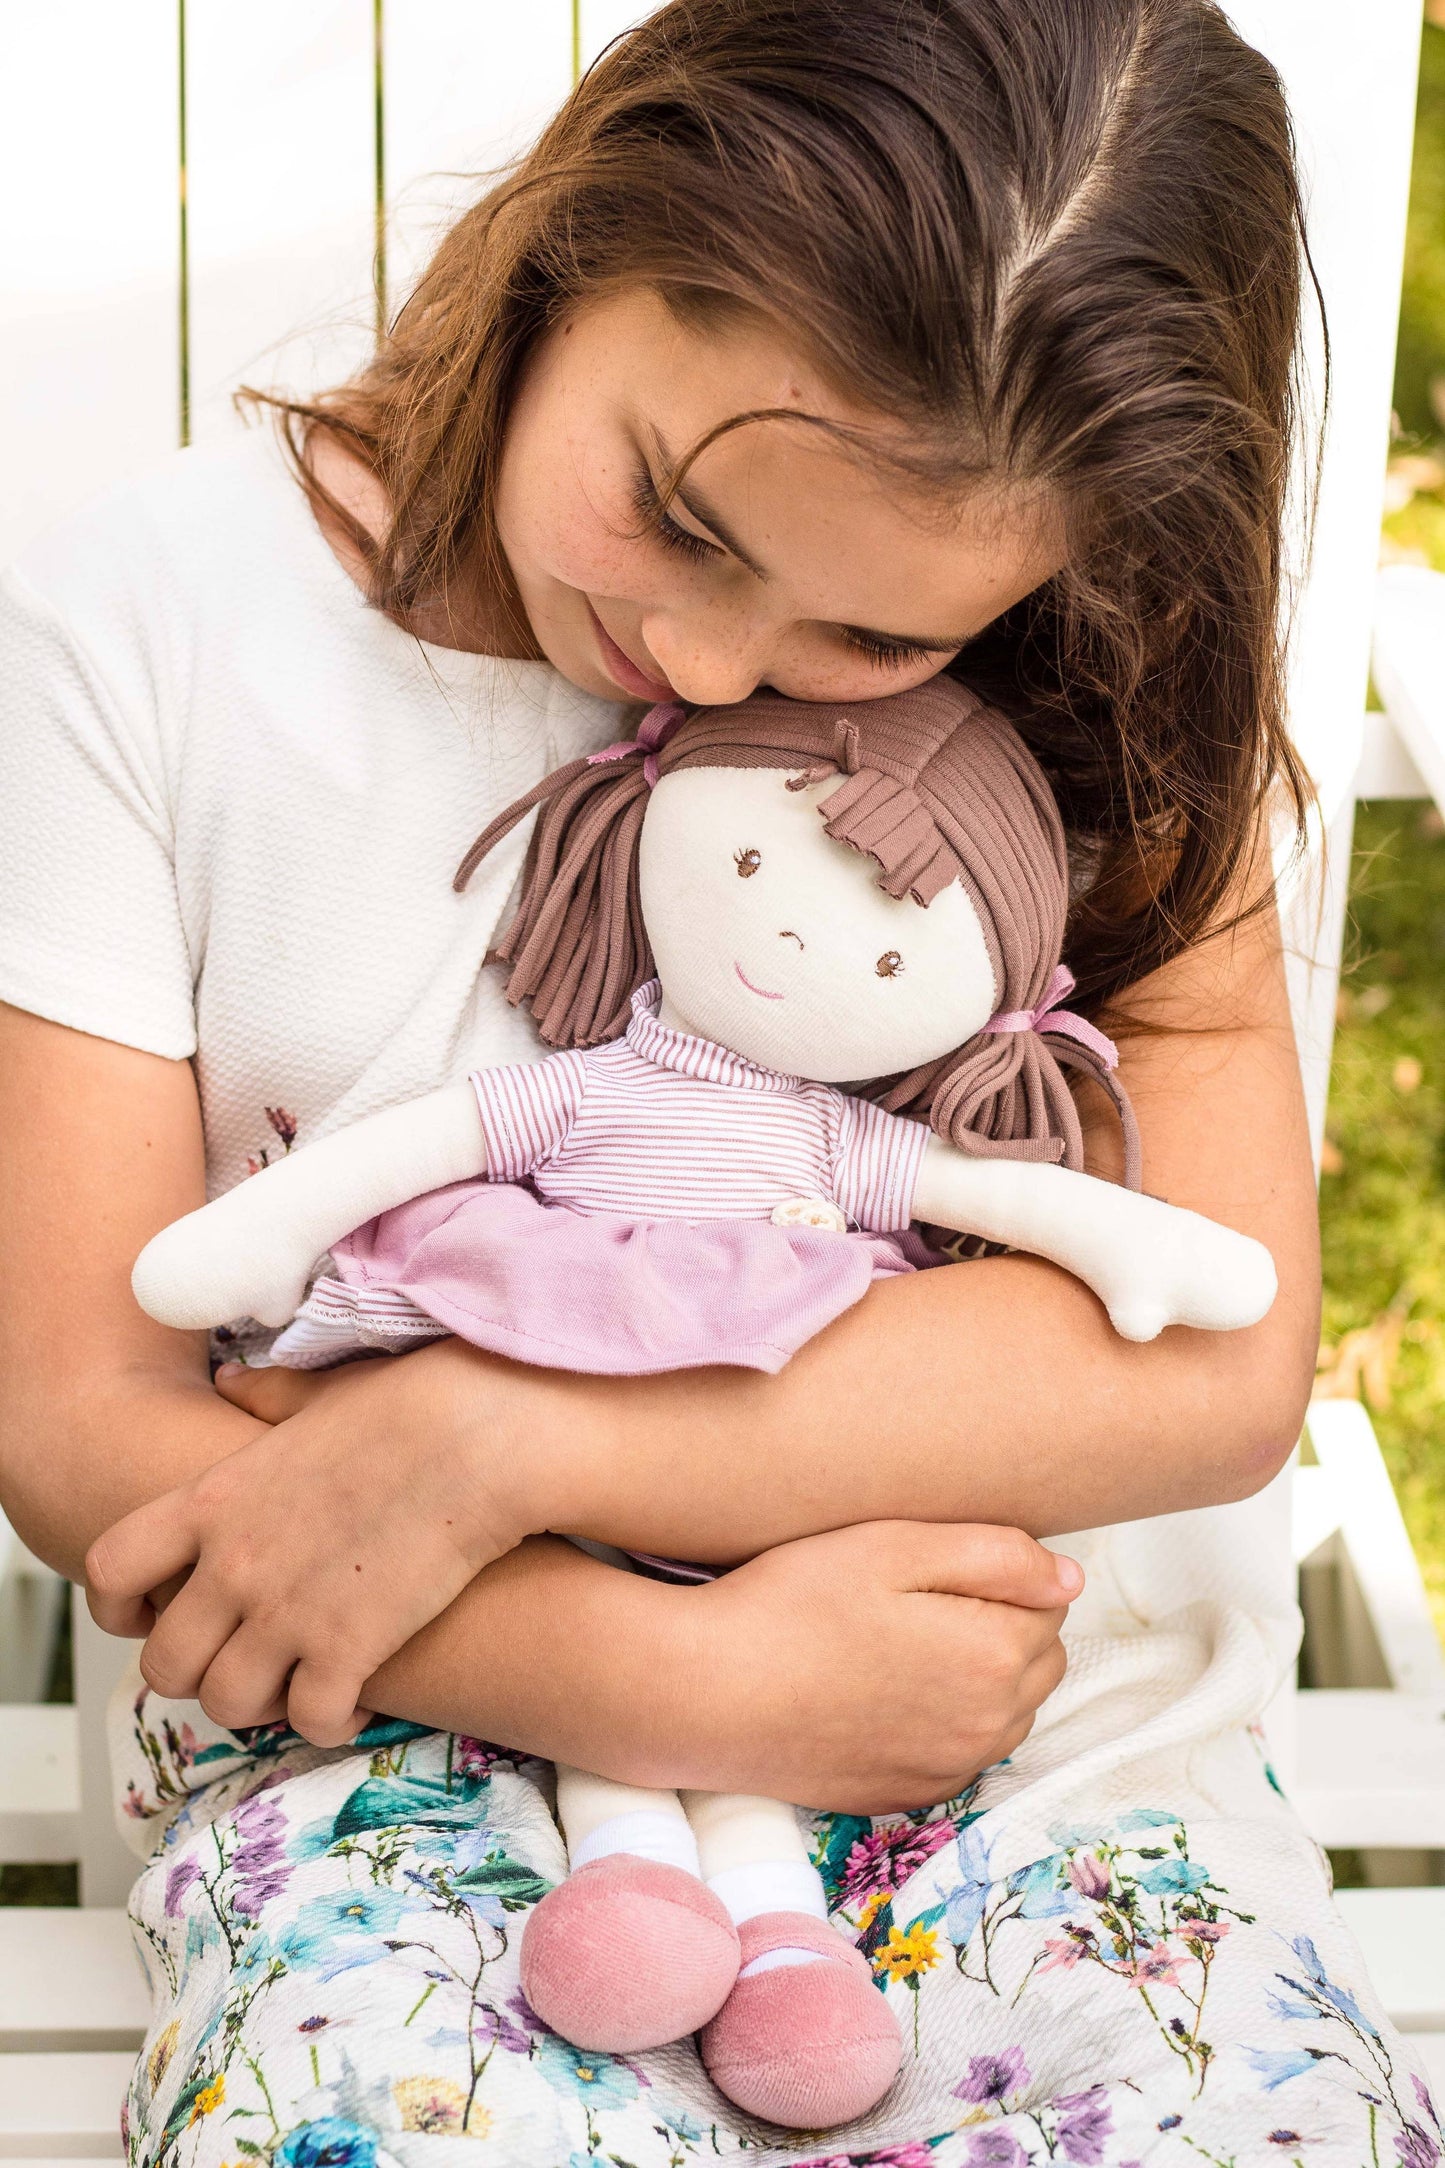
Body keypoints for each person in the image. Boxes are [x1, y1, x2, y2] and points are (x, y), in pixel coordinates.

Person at [0, 2, 1428, 2161]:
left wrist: (494, 1431)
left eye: (872, 642)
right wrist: (676, 1677)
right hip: (396, 1702)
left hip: (1017, 1689)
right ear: (590, 227)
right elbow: (88, 1422)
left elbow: (1210, 1367)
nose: (711, 666)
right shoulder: (147, 629)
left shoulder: (1086, 670)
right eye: (678, 510)